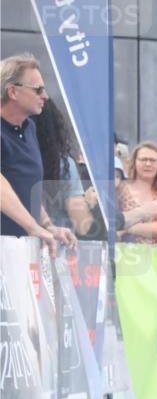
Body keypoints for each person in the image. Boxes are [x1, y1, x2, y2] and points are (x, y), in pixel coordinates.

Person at [1, 53, 76, 255]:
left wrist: (47, 225)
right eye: (38, 89)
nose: (45, 96)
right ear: (13, 92)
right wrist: (33, 227)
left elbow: (27, 187)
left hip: (20, 250)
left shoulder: (29, 128)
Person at [33, 99, 93, 236]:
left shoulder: (17, 160)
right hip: (56, 247)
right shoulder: (63, 165)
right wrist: (88, 203)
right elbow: (82, 225)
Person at [118, 141, 157, 244]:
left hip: (154, 256)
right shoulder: (120, 190)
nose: (148, 164)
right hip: (122, 255)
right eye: (143, 160)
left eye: (152, 160)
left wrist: (126, 228)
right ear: (134, 162)